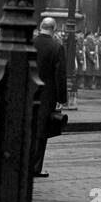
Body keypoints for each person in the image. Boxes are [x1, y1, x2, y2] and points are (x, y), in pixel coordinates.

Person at [32, 16, 68, 180]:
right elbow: (60, 75)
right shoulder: (57, 47)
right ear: (54, 29)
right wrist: (62, 98)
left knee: (27, 127)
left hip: (27, 92)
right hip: (47, 94)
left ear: (41, 26)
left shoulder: (29, 43)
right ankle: (35, 167)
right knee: (41, 131)